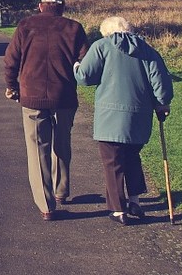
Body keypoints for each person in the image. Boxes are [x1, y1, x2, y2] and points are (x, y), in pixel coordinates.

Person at [73, 16, 173, 226]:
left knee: (113, 162)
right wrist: (162, 104)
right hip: (139, 117)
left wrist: (76, 67)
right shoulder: (148, 50)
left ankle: (118, 209)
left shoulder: (101, 46)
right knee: (132, 157)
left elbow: (85, 77)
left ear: (107, 32)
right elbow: (161, 84)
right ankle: (135, 201)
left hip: (110, 118)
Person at [4, 0, 89, 221]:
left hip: (32, 96)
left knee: (37, 150)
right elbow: (85, 61)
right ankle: (61, 191)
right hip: (64, 97)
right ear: (62, 6)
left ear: (40, 6)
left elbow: (11, 59)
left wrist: (11, 86)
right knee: (62, 143)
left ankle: (46, 205)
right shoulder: (74, 28)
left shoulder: (25, 26)